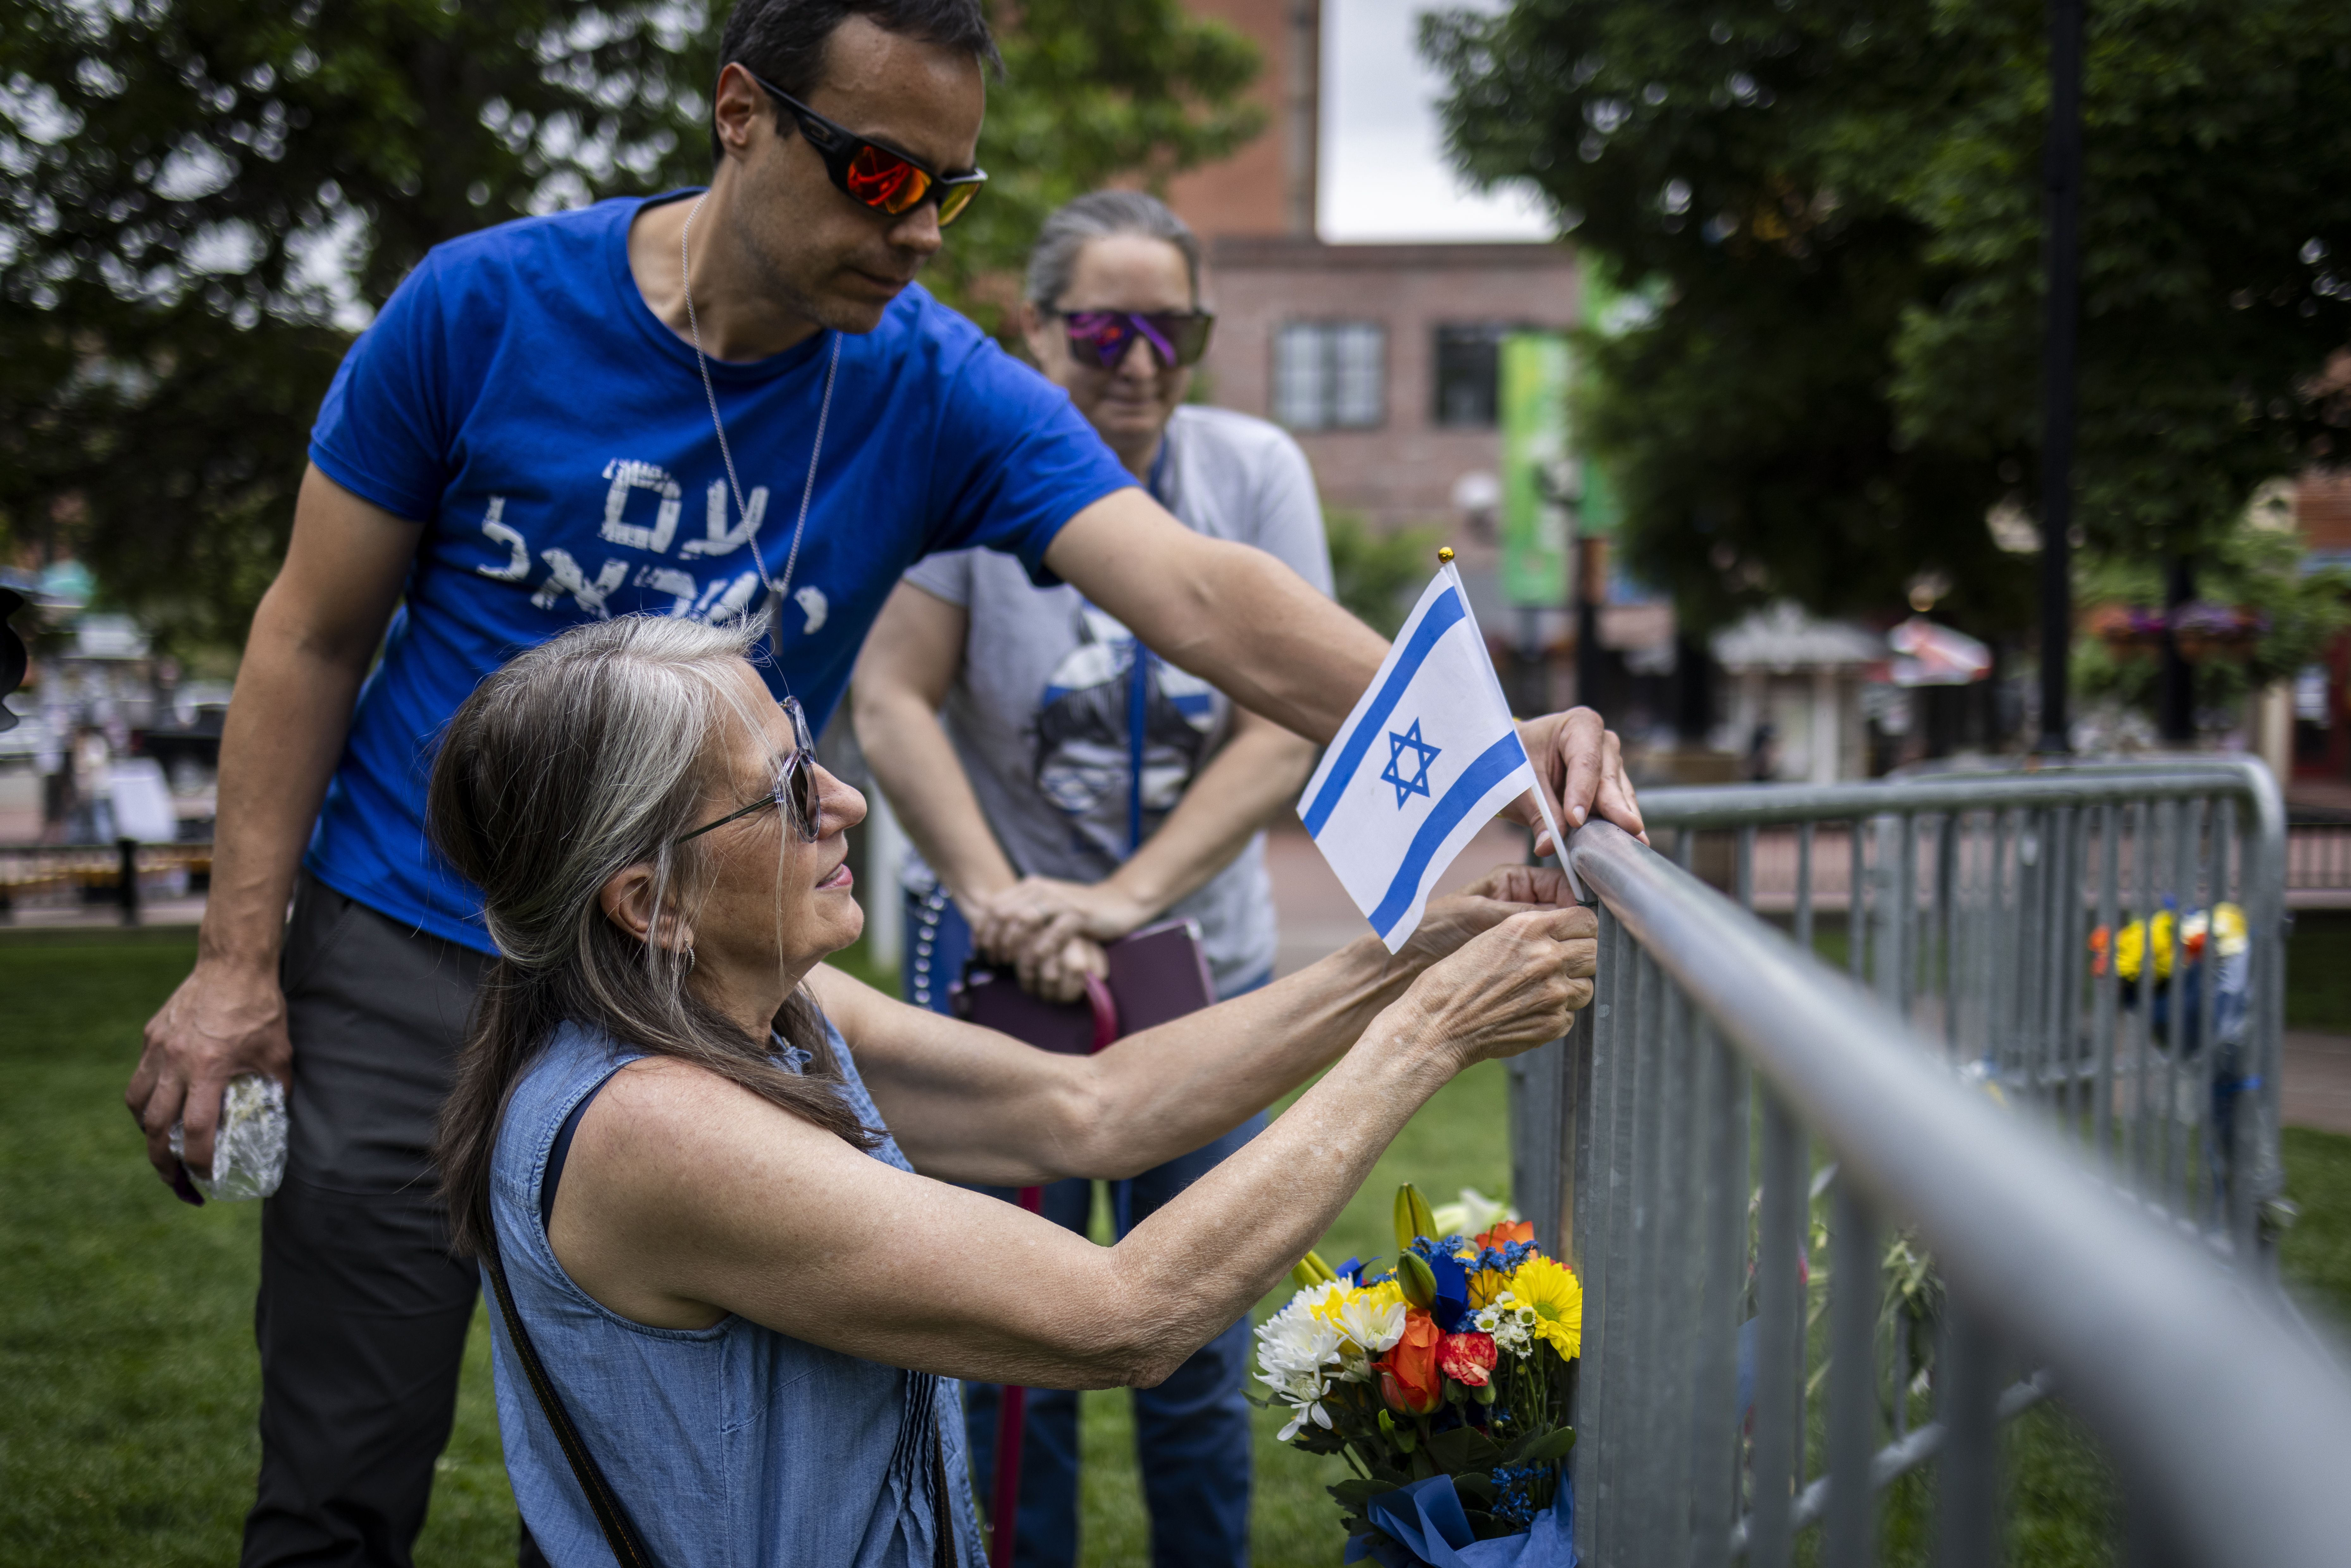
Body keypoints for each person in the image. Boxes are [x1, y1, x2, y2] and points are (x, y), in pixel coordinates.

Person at [119, 2, 1644, 1563]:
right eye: (876, 173)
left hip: (690, 952)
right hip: (410, 931)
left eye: (953, 192)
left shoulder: (926, 380)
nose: (917, 229)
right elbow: (309, 636)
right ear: (739, 114)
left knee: (636, 1421)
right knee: (344, 1449)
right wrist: (237, 965)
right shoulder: (481, 308)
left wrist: (1464, 737)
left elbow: (1194, 594)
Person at [428, 614, 1599, 1567]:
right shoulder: (653, 1127)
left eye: (809, 749)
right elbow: (1125, 1317)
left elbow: (1088, 1108)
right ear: (652, 905)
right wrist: (1427, 1036)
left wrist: (1399, 962)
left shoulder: (762, 1006)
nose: (845, 801)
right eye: (785, 789)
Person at [852, 188, 1326, 1566]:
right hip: (1007, 996)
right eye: (1104, 325)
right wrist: (1003, 900)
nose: (1138, 357)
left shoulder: (1252, 471)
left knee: (1192, 1354)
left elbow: (1284, 717)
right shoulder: (970, 464)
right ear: (1036, 325)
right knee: (1012, 1362)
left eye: (1170, 326)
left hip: (1203, 986)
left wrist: (1124, 904)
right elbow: (891, 699)